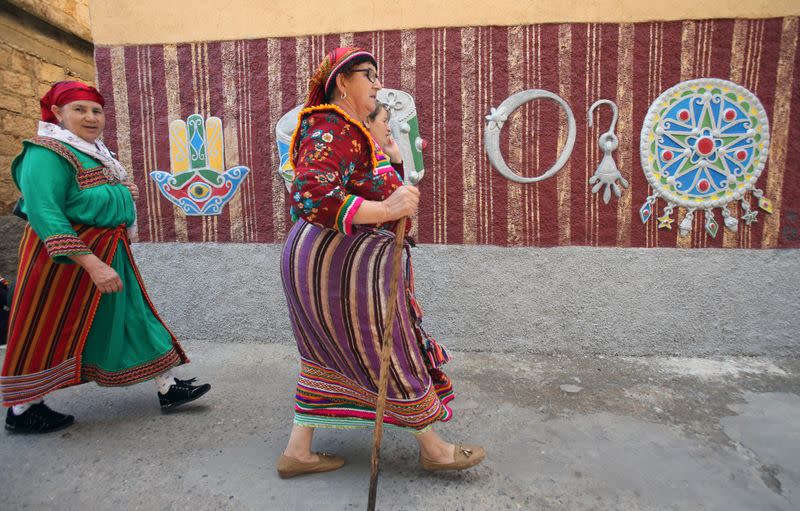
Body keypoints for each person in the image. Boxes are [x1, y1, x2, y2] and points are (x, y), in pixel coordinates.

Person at [277, 47, 485, 478]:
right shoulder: (330, 125)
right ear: (341, 81)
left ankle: (298, 452)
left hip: (331, 263)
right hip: (334, 265)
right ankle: (433, 448)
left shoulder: (347, 131)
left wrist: (389, 158)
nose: (376, 83)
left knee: (329, 355)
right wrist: (388, 209)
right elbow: (311, 196)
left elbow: (358, 187)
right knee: (386, 350)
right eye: (368, 74)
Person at [1, 81, 211, 434]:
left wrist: (119, 196)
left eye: (96, 110)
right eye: (79, 110)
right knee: (50, 327)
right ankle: (23, 409)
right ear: (57, 114)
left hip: (109, 251)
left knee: (134, 315)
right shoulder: (45, 153)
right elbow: (45, 213)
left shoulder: (92, 151)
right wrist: (92, 263)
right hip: (64, 266)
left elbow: (94, 194)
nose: (90, 117)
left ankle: (167, 386)